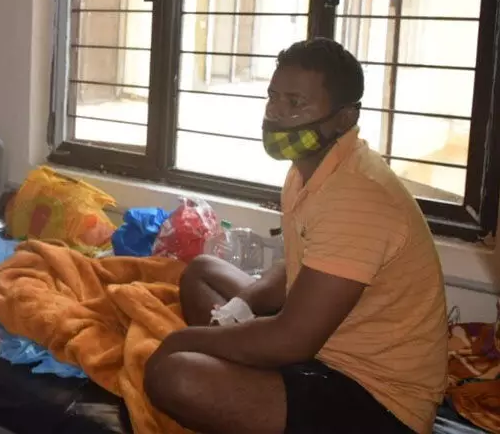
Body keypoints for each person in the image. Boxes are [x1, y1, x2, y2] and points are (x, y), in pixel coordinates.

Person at [144, 38, 448, 434]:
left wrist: (186, 340)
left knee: (175, 375)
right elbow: (299, 265)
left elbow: (292, 340)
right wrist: (242, 307)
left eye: (295, 103)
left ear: (343, 118)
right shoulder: (308, 170)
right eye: (273, 97)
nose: (275, 114)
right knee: (201, 271)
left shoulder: (357, 195)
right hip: (322, 350)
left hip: (377, 400)